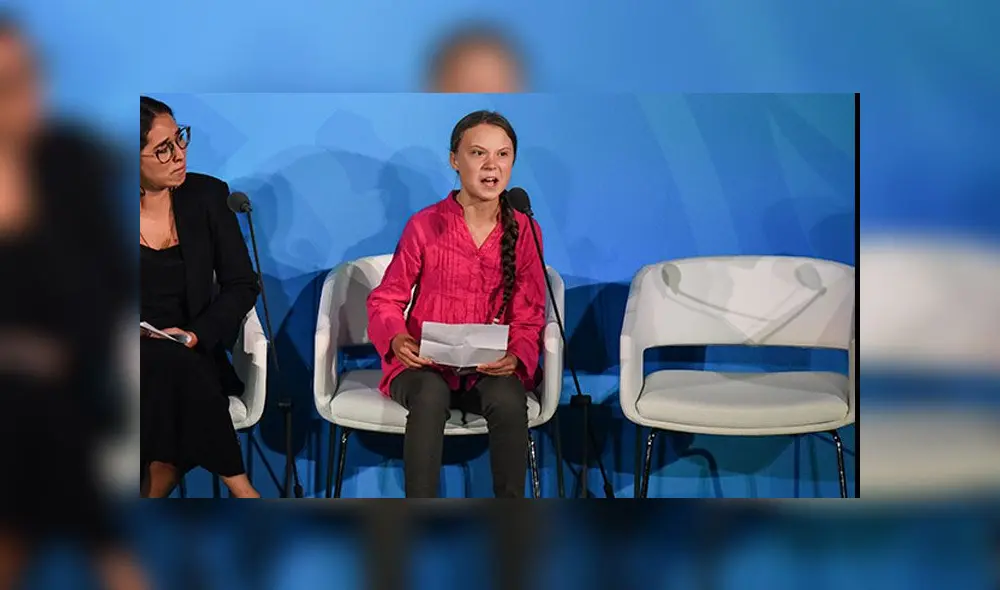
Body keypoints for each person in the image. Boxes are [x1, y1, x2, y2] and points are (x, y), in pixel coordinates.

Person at [0, 14, 147, 590]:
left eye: (25, 79)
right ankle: (112, 556)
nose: (21, 98)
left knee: (28, 407)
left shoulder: (71, 164)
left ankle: (106, 556)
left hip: (65, 378)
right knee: (24, 413)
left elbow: (101, 290)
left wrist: (24, 193)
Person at [367, 110, 546, 498]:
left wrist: (516, 356)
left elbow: (530, 312)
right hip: (426, 366)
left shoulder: (525, 229)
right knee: (430, 395)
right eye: (478, 153)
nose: (491, 166)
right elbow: (387, 297)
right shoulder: (425, 224)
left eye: (503, 155)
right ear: (454, 159)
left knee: (509, 398)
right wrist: (398, 340)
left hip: (489, 367)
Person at [139, 95, 261, 498]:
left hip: (193, 350)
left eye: (180, 139)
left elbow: (242, 283)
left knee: (174, 374)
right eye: (163, 148)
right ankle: (242, 488)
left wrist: (194, 335)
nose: (179, 155)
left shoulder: (206, 196)